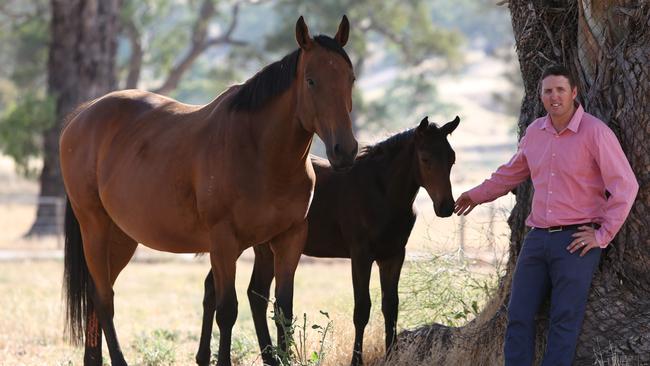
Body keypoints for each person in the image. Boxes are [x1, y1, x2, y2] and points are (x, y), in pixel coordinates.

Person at [454, 64, 638, 366]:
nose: (554, 97)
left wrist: (602, 234)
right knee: (519, 315)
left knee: (564, 320)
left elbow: (625, 185)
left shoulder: (595, 133)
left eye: (560, 90)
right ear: (541, 96)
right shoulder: (535, 132)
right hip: (537, 239)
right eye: (548, 91)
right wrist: (476, 194)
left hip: (577, 242)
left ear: (574, 93)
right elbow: (509, 174)